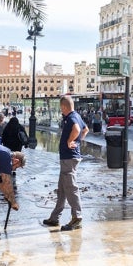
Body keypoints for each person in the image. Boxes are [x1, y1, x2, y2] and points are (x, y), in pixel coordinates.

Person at [42, 95, 89, 231]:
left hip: (69, 158)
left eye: (61, 108)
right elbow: (85, 130)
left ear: (64, 107)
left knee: (71, 188)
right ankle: (55, 217)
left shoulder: (71, 118)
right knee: (62, 189)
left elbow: (77, 129)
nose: (61, 110)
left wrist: (70, 141)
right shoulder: (77, 116)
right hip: (68, 158)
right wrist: (78, 141)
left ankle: (77, 218)